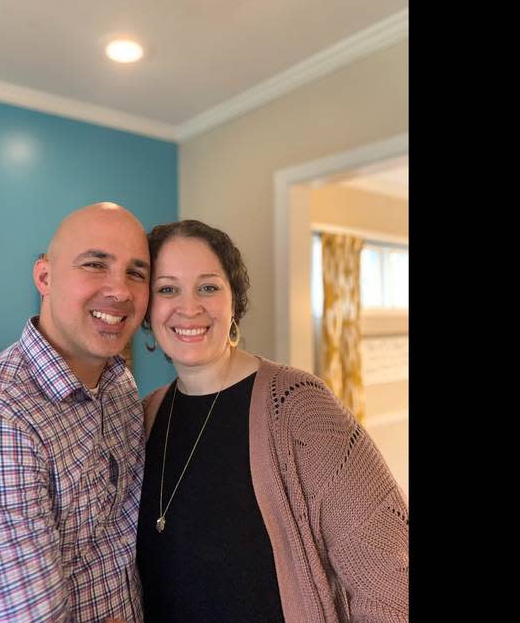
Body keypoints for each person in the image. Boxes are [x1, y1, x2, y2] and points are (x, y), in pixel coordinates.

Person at [135, 220, 409, 623]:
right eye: (167, 288)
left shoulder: (300, 407)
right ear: (146, 308)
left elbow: (391, 580)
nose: (189, 307)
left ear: (234, 303)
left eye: (208, 287)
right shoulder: (143, 417)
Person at [0, 202, 151, 623]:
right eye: (95, 264)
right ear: (45, 277)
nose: (120, 290)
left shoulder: (118, 385)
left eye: (136, 273)